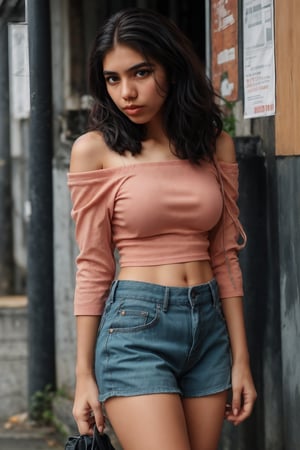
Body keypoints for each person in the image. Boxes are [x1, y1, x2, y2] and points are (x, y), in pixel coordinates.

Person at [68, 7, 257, 450]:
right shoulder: (94, 151)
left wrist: (241, 359)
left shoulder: (215, 145)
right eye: (113, 79)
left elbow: (225, 255)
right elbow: (93, 266)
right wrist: (83, 376)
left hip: (209, 328)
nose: (127, 93)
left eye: (141, 72)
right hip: (136, 330)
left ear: (171, 67)